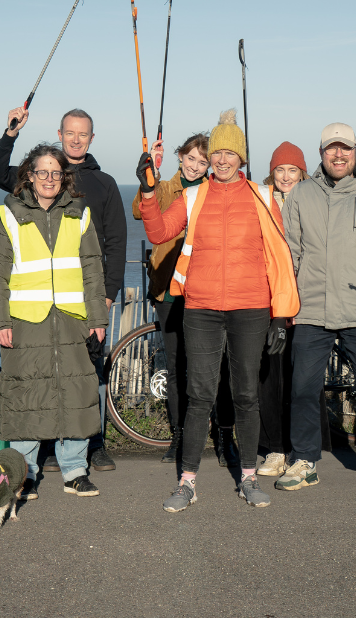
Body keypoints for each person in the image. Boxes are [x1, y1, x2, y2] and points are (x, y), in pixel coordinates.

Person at [137, 109, 299, 512]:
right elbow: (158, 232)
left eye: (231, 154)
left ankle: (247, 477)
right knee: (199, 396)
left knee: (246, 395)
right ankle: (187, 482)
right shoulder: (194, 196)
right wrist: (147, 192)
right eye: (217, 153)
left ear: (242, 159)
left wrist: (282, 314)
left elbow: (279, 257)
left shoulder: (261, 197)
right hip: (203, 308)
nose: (223, 160)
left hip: (251, 308)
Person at [0, 107, 126, 472]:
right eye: (70, 133)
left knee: (83, 384)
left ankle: (88, 452)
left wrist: (106, 298)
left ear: (91, 138)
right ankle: (38, 458)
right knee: (37, 384)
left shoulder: (103, 185)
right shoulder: (30, 190)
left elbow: (111, 246)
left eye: (83, 134)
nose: (77, 139)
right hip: (34, 314)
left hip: (79, 309)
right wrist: (10, 134)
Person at [277, 123, 356, 495]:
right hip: (311, 308)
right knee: (302, 388)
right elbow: (291, 253)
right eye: (331, 149)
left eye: (344, 149)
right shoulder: (301, 195)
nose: (338, 155)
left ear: (355, 151)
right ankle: (304, 460)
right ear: (321, 154)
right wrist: (288, 301)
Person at [133, 133, 240, 467]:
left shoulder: (213, 192)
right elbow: (140, 210)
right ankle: (179, 436)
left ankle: (224, 435)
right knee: (178, 366)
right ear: (181, 157)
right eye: (191, 158)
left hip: (206, 290)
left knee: (219, 367)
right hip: (169, 290)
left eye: (202, 161)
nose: (195, 166)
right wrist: (149, 178)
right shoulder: (166, 189)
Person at [255, 141, 310, 477]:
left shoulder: (313, 201)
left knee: (300, 379)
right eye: (280, 169)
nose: (286, 176)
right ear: (272, 173)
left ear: (302, 173)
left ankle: (301, 448)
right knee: (269, 378)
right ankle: (274, 449)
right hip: (268, 300)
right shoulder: (261, 202)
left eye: (292, 170)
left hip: (304, 302)